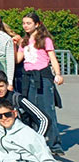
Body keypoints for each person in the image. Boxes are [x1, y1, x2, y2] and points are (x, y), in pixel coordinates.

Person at [15, 11, 64, 154]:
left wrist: (58, 74)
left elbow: (53, 58)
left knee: (47, 110)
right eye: (24, 23)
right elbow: (18, 59)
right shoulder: (24, 42)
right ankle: (37, 142)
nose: (25, 26)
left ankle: (55, 144)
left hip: (43, 77)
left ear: (37, 24)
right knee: (32, 110)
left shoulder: (45, 39)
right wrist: (12, 45)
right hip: (27, 77)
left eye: (28, 23)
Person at [0, 70, 48, 140]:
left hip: (21, 137)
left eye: (1, 86)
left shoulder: (17, 98)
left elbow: (44, 119)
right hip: (1, 137)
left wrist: (37, 138)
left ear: (7, 84)